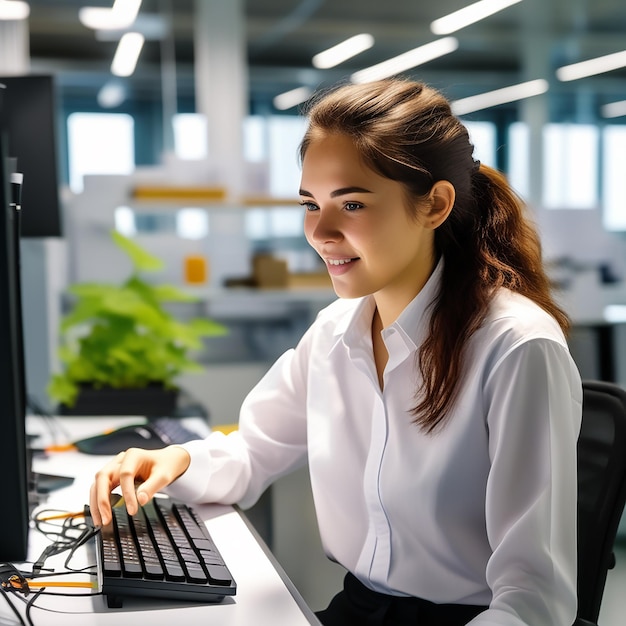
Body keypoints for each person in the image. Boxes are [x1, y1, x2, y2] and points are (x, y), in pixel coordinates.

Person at [90, 78, 582, 626]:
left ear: (435, 205)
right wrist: (175, 460)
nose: (320, 232)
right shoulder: (335, 332)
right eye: (310, 204)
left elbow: (535, 601)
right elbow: (254, 450)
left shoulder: (515, 347)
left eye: (351, 203)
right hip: (361, 609)